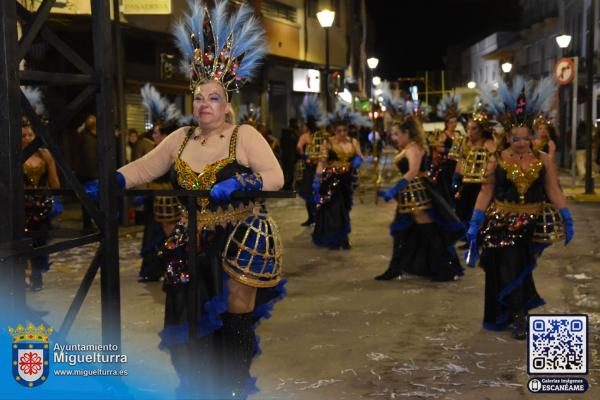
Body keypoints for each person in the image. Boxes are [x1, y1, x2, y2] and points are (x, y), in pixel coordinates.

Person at [87, 2, 285, 397]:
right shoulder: (180, 138)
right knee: (187, 318)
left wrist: (242, 183)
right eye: (198, 98)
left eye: (213, 98)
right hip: (188, 241)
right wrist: (113, 180)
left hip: (238, 238)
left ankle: (232, 387)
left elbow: (276, 177)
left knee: (233, 317)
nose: (203, 105)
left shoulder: (243, 136)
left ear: (227, 104)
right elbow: (144, 168)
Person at [468, 76, 573, 340]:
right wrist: (474, 221)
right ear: (508, 138)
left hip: (532, 222)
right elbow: (486, 191)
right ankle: (516, 314)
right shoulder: (496, 160)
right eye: (516, 138)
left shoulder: (544, 160)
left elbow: (553, 190)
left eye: (526, 138)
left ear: (533, 138)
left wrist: (566, 216)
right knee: (505, 266)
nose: (522, 143)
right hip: (500, 221)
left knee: (519, 266)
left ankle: (516, 312)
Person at [374, 118, 464, 281]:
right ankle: (395, 268)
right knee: (404, 231)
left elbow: (413, 171)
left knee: (428, 230)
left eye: (397, 134)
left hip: (417, 194)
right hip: (411, 193)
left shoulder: (414, 148)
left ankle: (445, 268)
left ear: (407, 133)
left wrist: (395, 189)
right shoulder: (409, 147)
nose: (395, 137)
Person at [137, 83, 183, 282]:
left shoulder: (172, 153)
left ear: (165, 135)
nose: (153, 135)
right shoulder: (158, 151)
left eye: (157, 132)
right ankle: (158, 268)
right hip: (155, 201)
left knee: (169, 235)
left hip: (167, 202)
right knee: (159, 236)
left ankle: (172, 268)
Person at [21, 87, 61, 291]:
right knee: (21, 243)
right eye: (24, 135)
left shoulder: (45, 156)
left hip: (41, 208)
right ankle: (23, 277)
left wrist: (57, 201)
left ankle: (36, 276)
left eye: (30, 134)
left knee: (39, 244)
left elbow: (54, 181)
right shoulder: (14, 156)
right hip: (20, 207)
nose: (27, 138)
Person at [312, 107, 365, 249]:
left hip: (347, 181)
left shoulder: (353, 142)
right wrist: (317, 180)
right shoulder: (327, 143)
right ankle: (338, 240)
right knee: (336, 209)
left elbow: (360, 156)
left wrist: (357, 161)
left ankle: (342, 237)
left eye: (345, 130)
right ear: (334, 131)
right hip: (332, 180)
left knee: (346, 208)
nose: (342, 133)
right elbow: (321, 162)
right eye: (339, 131)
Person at [452, 112, 496, 240]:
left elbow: (493, 163)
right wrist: (456, 178)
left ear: (481, 130)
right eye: (468, 128)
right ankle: (468, 237)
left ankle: (479, 237)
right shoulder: (466, 144)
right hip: (466, 183)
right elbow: (460, 161)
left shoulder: (488, 144)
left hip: (481, 184)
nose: (470, 132)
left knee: (476, 210)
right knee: (462, 210)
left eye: (474, 129)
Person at [296, 94, 325, 226]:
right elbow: (299, 148)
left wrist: (305, 156)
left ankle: (314, 217)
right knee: (312, 193)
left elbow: (299, 148)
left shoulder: (307, 136)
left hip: (314, 167)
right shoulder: (319, 136)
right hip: (314, 167)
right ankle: (314, 217)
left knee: (314, 193)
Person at [431, 93, 462, 203]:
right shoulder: (444, 135)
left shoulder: (458, 134)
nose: (454, 124)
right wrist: (449, 151)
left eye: (455, 121)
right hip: (447, 165)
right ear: (447, 123)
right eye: (451, 122)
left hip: (458, 164)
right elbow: (437, 148)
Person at [75, 114, 98, 233]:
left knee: (88, 201)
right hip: (89, 176)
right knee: (89, 201)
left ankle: (89, 224)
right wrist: (95, 177)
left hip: (87, 175)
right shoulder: (89, 139)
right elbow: (90, 159)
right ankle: (89, 226)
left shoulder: (87, 137)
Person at [280, 118, 299, 190]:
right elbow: (296, 144)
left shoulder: (284, 132)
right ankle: (288, 185)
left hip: (285, 155)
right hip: (291, 155)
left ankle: (285, 184)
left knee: (285, 170)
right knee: (290, 171)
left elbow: (281, 144)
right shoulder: (293, 133)